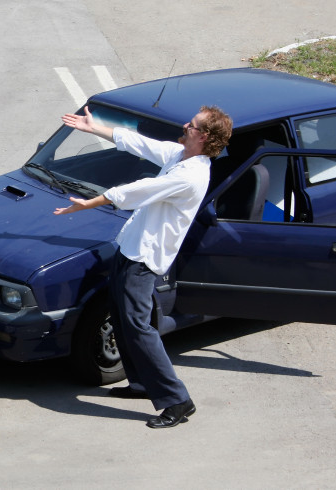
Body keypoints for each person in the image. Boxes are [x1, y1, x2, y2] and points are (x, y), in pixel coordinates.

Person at [54, 105, 232, 429]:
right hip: (131, 247)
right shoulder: (181, 155)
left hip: (144, 260)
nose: (184, 124)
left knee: (137, 327)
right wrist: (94, 128)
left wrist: (90, 203)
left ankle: (177, 401)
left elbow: (139, 190)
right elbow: (139, 143)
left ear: (203, 136)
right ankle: (140, 384)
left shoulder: (190, 175)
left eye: (191, 125)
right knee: (123, 319)